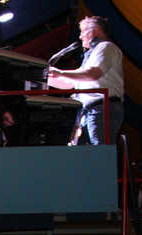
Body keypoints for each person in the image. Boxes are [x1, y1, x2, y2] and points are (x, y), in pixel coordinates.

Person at [47, 16, 124, 146]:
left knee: (99, 152)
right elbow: (69, 84)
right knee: (88, 153)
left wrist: (60, 73)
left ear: (95, 30)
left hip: (102, 107)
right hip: (90, 110)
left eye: (82, 31)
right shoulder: (91, 55)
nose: (80, 36)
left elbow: (92, 74)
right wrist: (44, 78)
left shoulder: (106, 47)